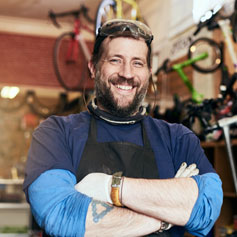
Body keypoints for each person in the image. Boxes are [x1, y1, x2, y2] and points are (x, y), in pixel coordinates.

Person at [23, 19, 223, 237]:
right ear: (93, 67)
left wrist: (110, 186)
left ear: (148, 72)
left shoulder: (178, 139)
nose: (127, 73)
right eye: (116, 60)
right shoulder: (55, 133)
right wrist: (168, 216)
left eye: (137, 63)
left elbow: (206, 209)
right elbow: (61, 216)